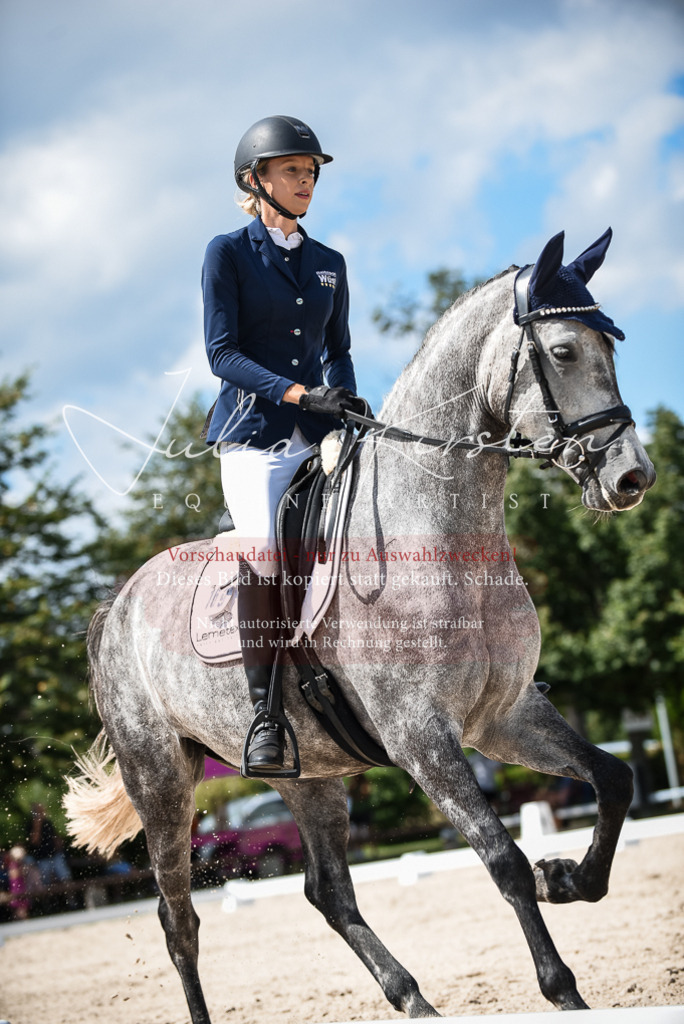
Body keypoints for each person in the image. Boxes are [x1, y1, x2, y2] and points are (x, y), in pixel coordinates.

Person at [202, 115, 364, 773]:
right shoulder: (228, 253)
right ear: (256, 180)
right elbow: (222, 354)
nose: (306, 182)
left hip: (322, 433)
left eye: (312, 172)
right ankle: (266, 718)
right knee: (266, 551)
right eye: (294, 171)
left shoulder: (329, 263)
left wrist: (346, 404)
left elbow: (339, 351)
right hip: (254, 437)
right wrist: (300, 396)